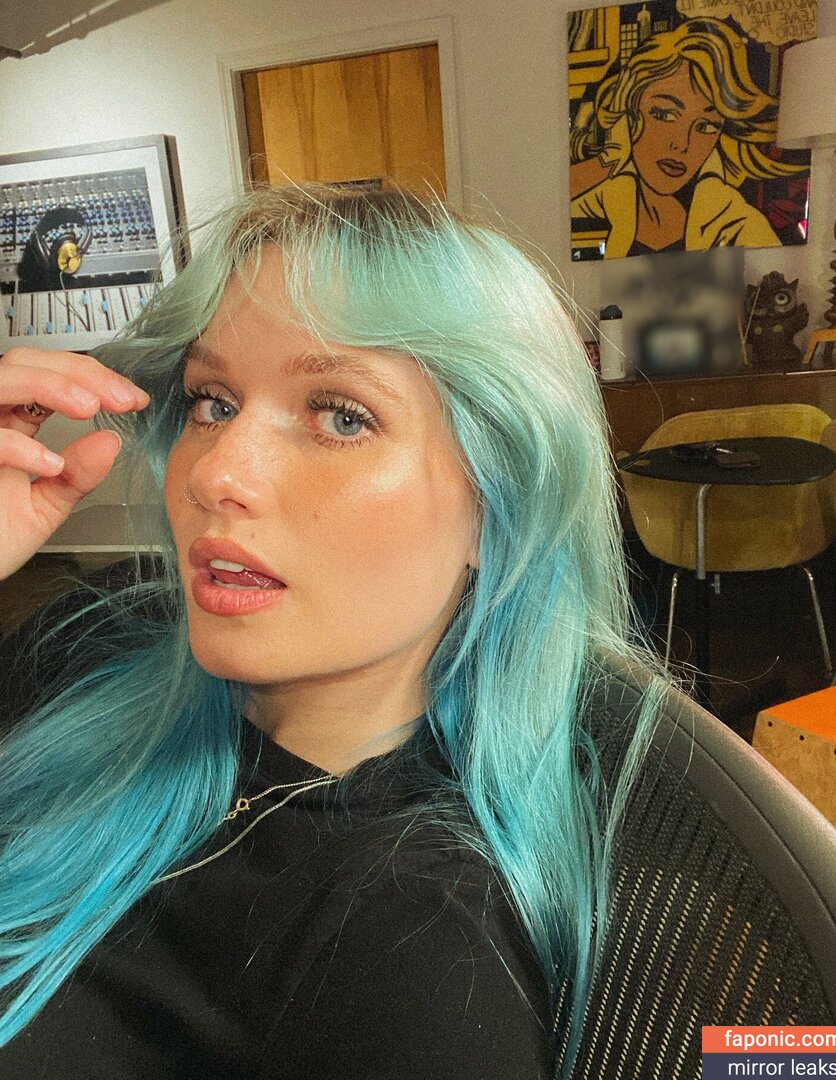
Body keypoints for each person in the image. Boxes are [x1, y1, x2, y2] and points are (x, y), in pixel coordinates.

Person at [0, 184, 666, 1078]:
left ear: (496, 506)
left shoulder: (418, 951)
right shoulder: (96, 638)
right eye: (212, 401)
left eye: (341, 416)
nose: (217, 473)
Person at [570, 17, 805, 258]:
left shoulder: (737, 223)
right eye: (664, 114)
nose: (681, 145)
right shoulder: (606, 198)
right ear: (629, 113)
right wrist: (608, 159)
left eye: (706, 126)